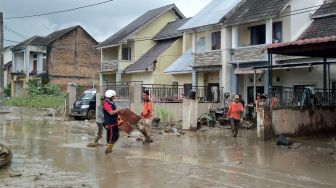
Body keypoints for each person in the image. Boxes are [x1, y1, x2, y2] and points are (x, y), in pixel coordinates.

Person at [103, 90, 124, 154]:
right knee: (110, 138)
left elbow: (115, 111)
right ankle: (108, 152)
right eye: (113, 96)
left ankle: (110, 148)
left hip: (114, 122)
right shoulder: (106, 103)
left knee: (117, 136)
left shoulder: (112, 103)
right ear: (110, 96)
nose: (114, 97)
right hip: (109, 123)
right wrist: (118, 110)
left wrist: (120, 111)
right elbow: (111, 112)